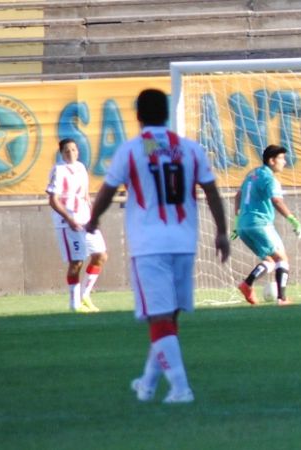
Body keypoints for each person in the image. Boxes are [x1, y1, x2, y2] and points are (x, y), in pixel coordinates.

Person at [86, 89, 230, 404]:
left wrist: (93, 220)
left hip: (148, 245)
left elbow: (108, 190)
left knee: (160, 318)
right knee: (168, 317)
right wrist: (221, 232)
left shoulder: (132, 150)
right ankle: (147, 385)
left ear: (138, 115)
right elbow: (212, 190)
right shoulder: (190, 149)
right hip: (184, 242)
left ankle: (181, 389)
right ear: (166, 112)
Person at [232, 144, 301, 306]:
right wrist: (294, 221)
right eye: (282, 158)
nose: (284, 162)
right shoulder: (269, 178)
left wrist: (236, 222)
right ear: (271, 160)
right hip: (260, 224)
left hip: (244, 226)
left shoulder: (252, 175)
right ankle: (282, 298)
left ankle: (247, 285)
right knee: (282, 258)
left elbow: (238, 196)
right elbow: (277, 200)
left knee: (270, 261)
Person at [46, 138, 107, 313]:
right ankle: (74, 305)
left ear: (78, 151)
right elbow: (53, 200)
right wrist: (69, 218)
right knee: (76, 262)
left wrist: (93, 215)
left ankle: (85, 295)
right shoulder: (58, 170)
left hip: (86, 220)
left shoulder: (81, 167)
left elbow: (86, 195)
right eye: (67, 150)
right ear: (61, 153)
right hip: (68, 223)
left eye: (73, 149)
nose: (71, 153)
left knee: (100, 255)